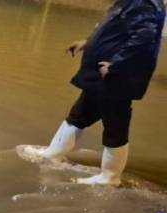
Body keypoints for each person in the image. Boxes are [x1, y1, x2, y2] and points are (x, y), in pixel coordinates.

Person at [23, 0, 165, 186]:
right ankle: (54, 153)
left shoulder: (144, 3)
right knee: (79, 114)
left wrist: (117, 65)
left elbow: (144, 38)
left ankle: (110, 177)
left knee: (115, 124)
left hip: (116, 77)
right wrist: (88, 43)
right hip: (104, 74)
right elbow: (113, 30)